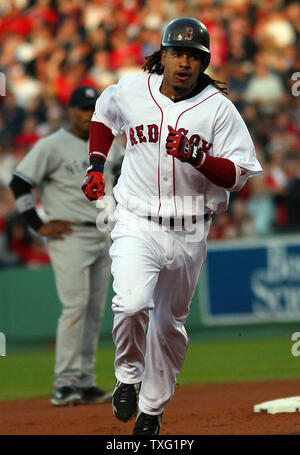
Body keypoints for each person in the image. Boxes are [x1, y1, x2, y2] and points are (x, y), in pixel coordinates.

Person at [81, 18, 263, 434]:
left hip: (190, 230)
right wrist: (95, 164)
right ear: (162, 55)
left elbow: (238, 174)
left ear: (204, 63)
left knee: (167, 326)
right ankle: (128, 375)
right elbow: (103, 116)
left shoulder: (219, 109)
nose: (184, 63)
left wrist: (200, 158)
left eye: (194, 57)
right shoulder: (131, 89)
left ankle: (151, 409)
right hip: (136, 220)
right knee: (130, 303)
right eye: (178, 53)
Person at [9, 86, 115, 407]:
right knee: (75, 306)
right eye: (83, 108)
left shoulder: (108, 143)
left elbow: (123, 177)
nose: (88, 114)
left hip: (102, 232)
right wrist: (38, 225)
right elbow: (19, 182)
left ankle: (85, 381)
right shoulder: (52, 145)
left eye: (93, 108)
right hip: (68, 235)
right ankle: (63, 382)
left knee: (95, 310)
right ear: (70, 111)